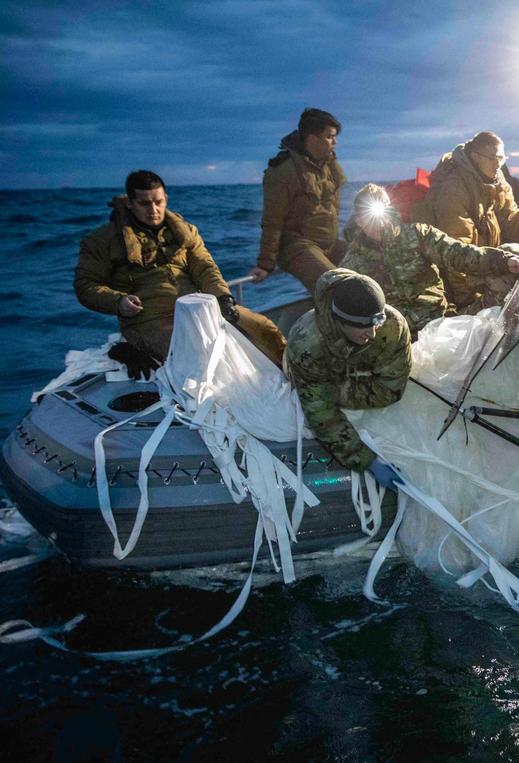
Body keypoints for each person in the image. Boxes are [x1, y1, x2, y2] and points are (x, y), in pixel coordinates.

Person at [75, 170, 287, 369]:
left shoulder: (186, 232)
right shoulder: (101, 240)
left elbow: (205, 267)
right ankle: (133, 348)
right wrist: (118, 302)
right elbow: (85, 286)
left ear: (166, 198)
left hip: (199, 308)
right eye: (144, 204)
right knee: (196, 354)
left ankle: (296, 379)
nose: (153, 210)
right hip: (147, 320)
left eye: (158, 202)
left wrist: (223, 298)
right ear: (130, 204)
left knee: (264, 328)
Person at [341, 185, 519, 335]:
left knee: (508, 273)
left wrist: (504, 261)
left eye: (382, 215)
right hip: (395, 339)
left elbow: (459, 254)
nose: (379, 224)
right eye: (369, 217)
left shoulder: (418, 235)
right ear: (358, 221)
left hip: (439, 324)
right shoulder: (352, 264)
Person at [286, 269, 411, 485]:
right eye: (362, 326)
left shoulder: (392, 326)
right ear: (340, 322)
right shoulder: (306, 344)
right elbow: (321, 414)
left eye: (376, 323)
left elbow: (392, 389)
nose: (372, 334)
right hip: (314, 373)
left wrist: (342, 389)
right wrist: (366, 460)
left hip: (343, 378)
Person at [416, 131, 519, 309]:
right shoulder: (454, 191)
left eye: (501, 158)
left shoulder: (495, 182)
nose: (498, 164)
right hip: (461, 280)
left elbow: (511, 217)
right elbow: (456, 254)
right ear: (475, 157)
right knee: (512, 259)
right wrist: (466, 304)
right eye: (493, 158)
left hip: (484, 264)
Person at [251, 108, 347, 293]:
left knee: (372, 268)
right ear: (312, 139)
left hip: (330, 244)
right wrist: (265, 264)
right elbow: (273, 220)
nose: (335, 142)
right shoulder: (283, 171)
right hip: (298, 246)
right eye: (330, 137)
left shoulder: (328, 165)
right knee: (336, 285)